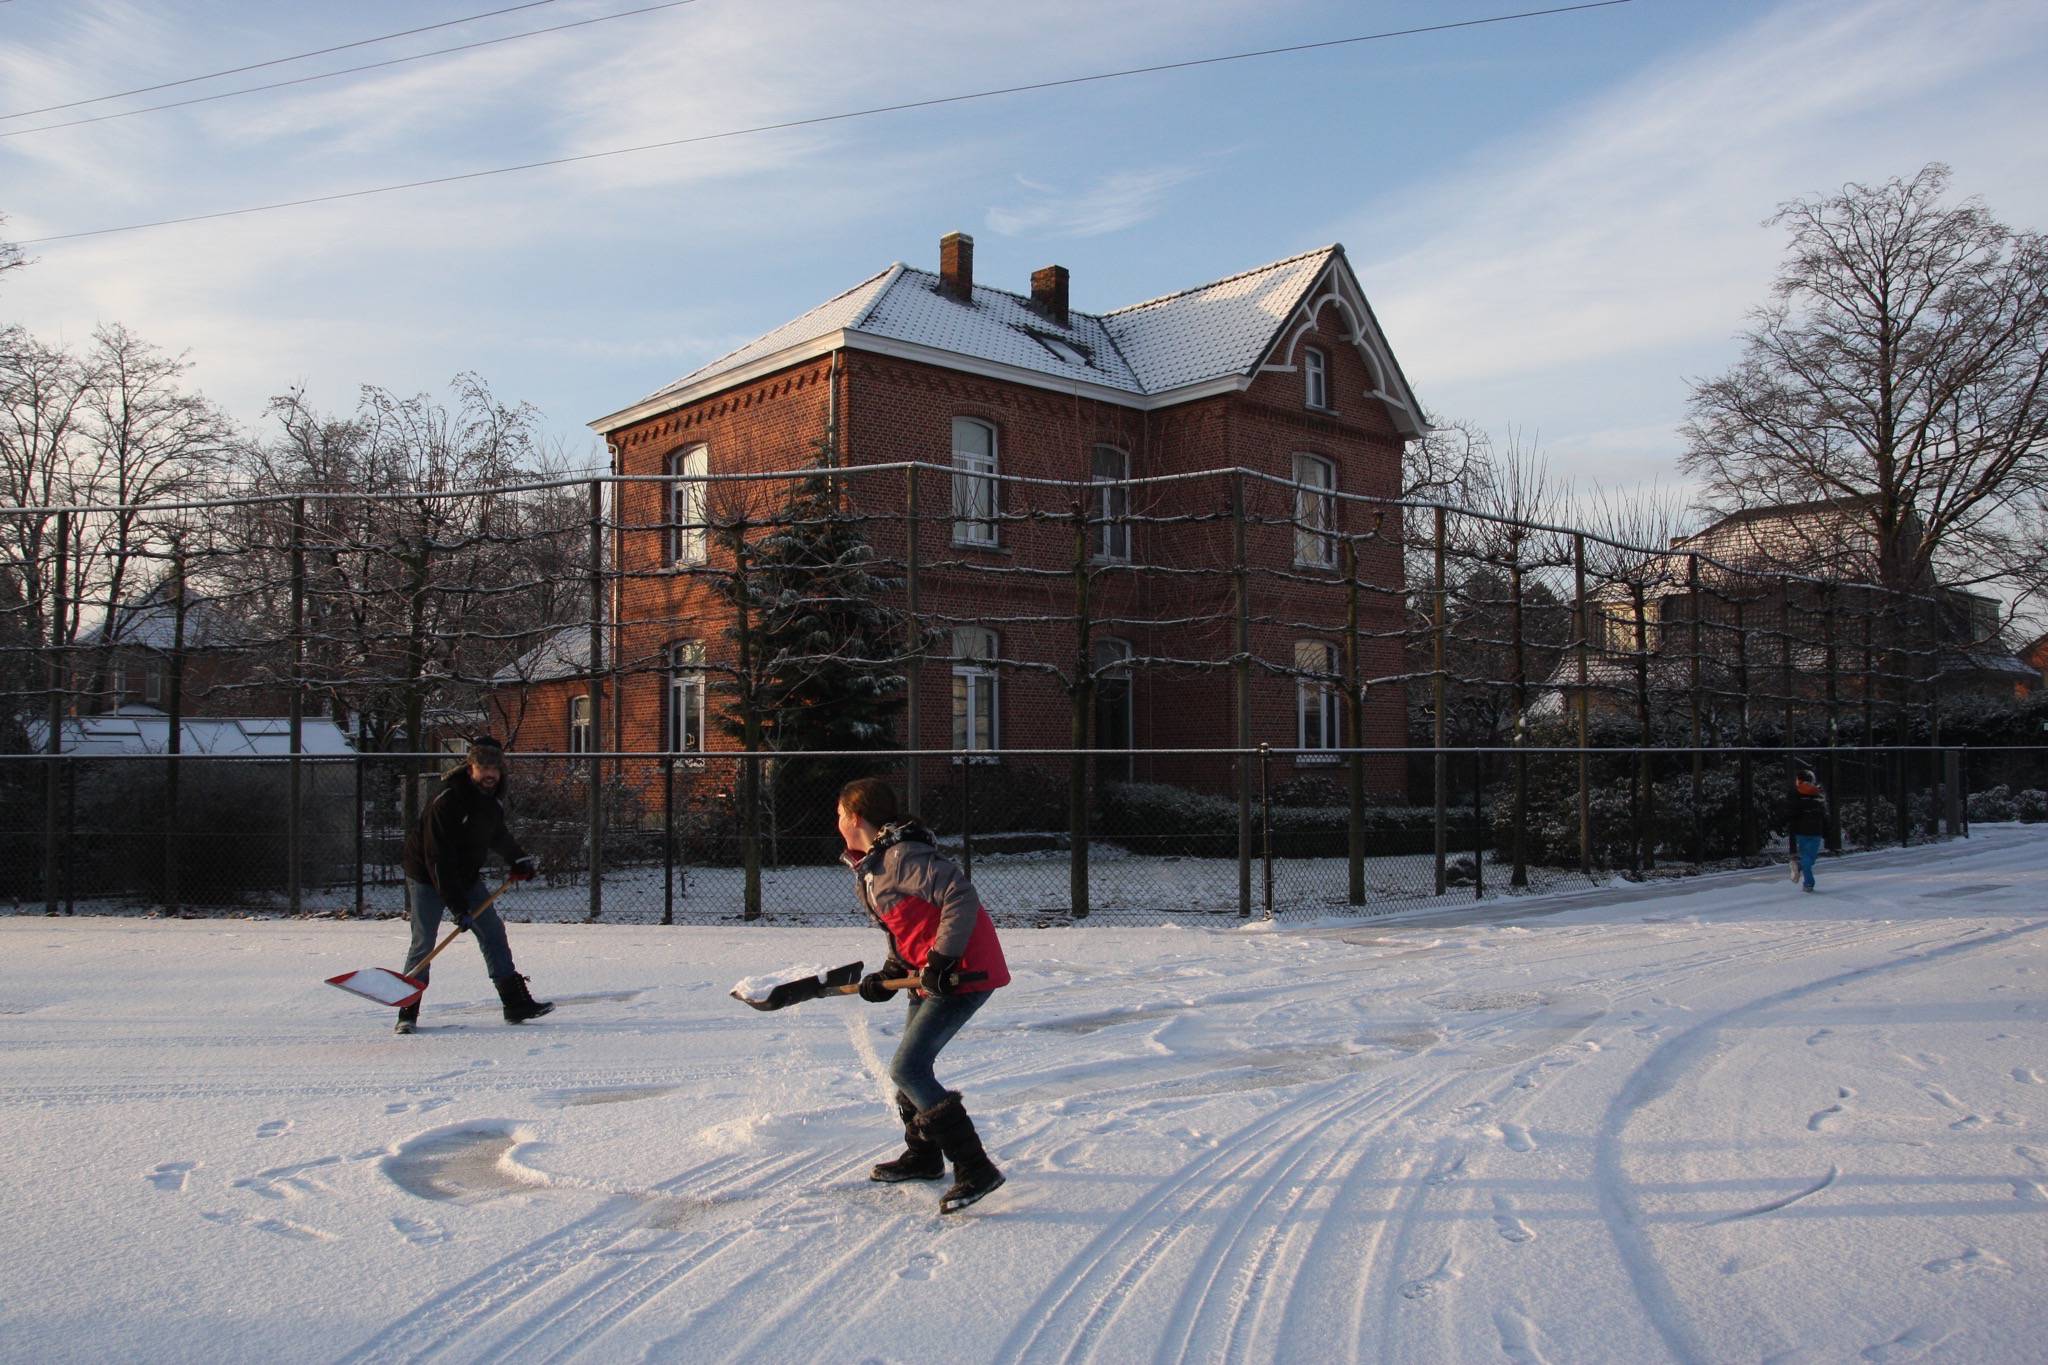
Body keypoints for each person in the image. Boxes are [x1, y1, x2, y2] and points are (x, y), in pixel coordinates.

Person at [838, 776, 1010, 1214]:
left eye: (840, 814)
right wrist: (894, 969)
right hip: (928, 972)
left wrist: (942, 960)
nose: (837, 822)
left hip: (963, 970)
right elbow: (906, 924)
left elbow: (958, 894)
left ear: (855, 817)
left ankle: (975, 1168)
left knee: (908, 1068)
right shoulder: (872, 865)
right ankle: (924, 1155)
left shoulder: (900, 856)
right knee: (910, 1069)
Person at [394, 736, 551, 1034]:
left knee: (492, 931)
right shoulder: (449, 799)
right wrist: (458, 907)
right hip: (428, 875)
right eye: (484, 768)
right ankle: (407, 1012)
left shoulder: (491, 798)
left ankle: (514, 1002)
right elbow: (437, 858)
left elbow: (496, 833)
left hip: (464, 875)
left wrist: (518, 859)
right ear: (471, 767)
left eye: (495, 769)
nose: (490, 774)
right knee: (424, 941)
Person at [1787, 767, 1829, 893]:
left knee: (1806, 856)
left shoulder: (1795, 794)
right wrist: (1827, 830)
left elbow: (1791, 813)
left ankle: (1800, 867)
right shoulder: (1818, 794)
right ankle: (1808, 883)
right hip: (1815, 831)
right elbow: (1824, 815)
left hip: (1800, 831)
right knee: (1810, 858)